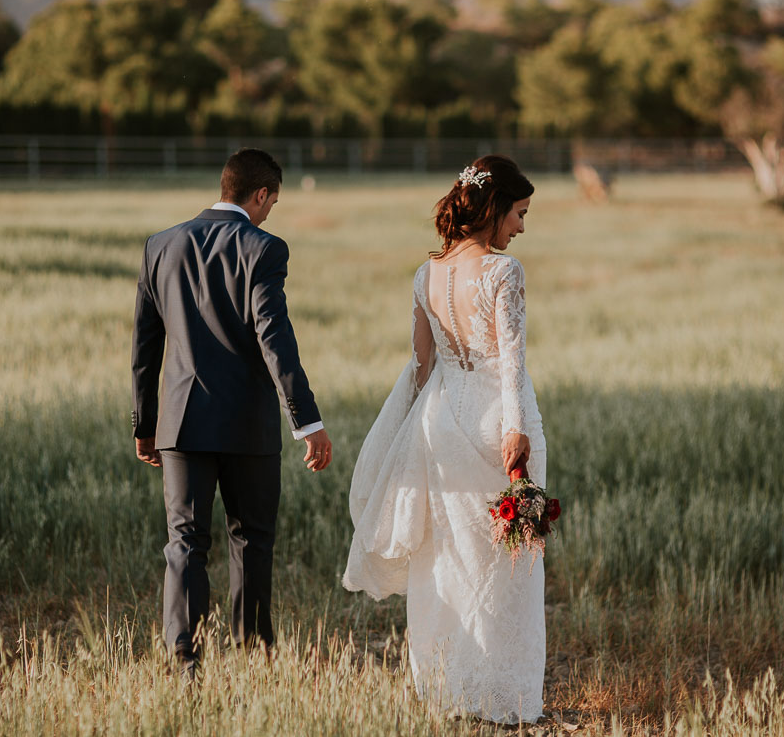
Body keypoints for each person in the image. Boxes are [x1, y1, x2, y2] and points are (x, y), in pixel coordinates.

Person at [343, 155, 546, 723]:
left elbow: (421, 364)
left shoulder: (424, 273)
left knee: (444, 560)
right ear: (494, 208)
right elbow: (512, 362)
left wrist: (408, 434)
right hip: (494, 420)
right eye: (519, 213)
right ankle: (503, 698)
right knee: (508, 565)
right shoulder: (504, 273)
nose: (522, 227)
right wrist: (517, 432)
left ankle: (448, 689)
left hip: (439, 421)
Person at [131, 148, 333, 675]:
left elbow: (145, 347)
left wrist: (144, 424)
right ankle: (253, 653)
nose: (270, 213)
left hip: (180, 422)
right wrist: (306, 420)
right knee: (252, 538)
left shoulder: (160, 245)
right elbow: (274, 336)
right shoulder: (263, 247)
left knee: (185, 541)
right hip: (248, 424)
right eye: (271, 202)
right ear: (261, 193)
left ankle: (183, 656)